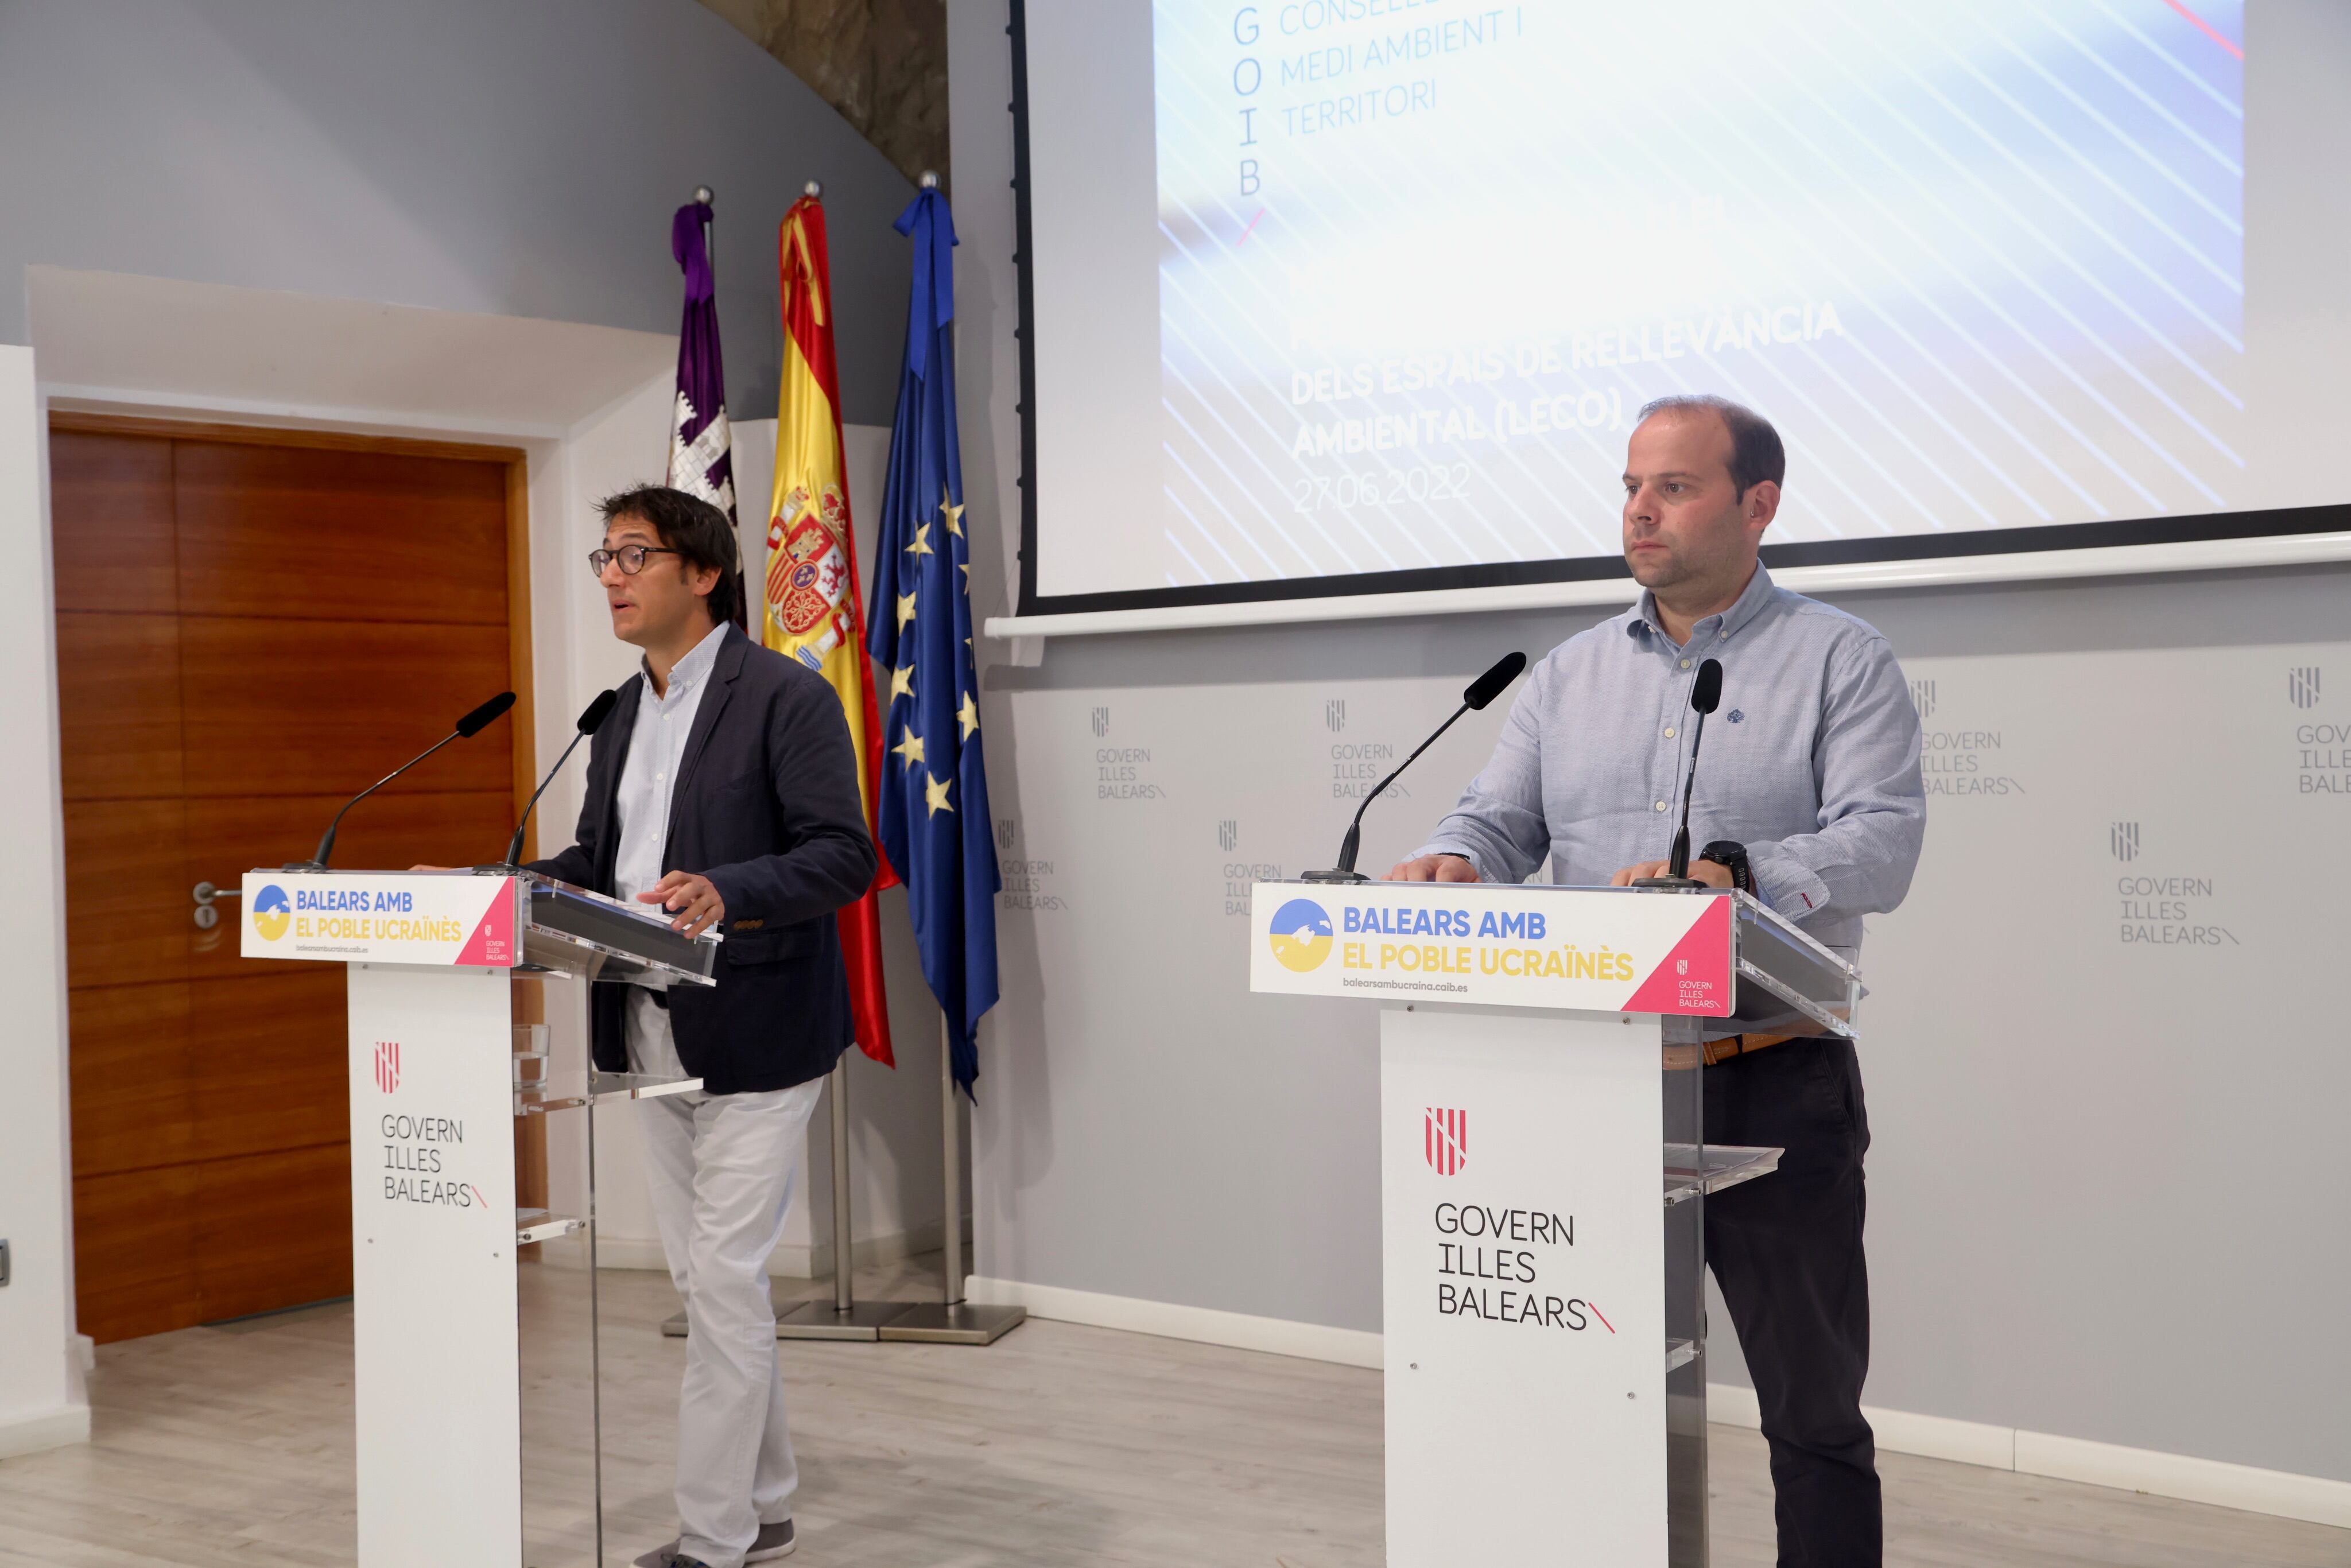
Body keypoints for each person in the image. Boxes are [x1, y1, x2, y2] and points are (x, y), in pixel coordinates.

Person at [1389, 395, 1925, 1566]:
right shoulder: (1568, 671)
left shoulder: (1841, 659)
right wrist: (1458, 855)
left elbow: (1880, 844)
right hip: (1591, 1087)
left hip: (1769, 1083)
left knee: (1811, 1412)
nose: (1639, 507)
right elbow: (1497, 816)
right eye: (1632, 484)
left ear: (1757, 504)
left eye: (1673, 486)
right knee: (1573, 1388)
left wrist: (1737, 875)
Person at [536, 485, 876, 1568]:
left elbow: (844, 854)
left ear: (703, 572)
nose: (613, 578)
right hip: (642, 1026)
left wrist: (728, 887)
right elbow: (597, 871)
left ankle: (713, 1538)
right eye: (604, 559)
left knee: (723, 1283)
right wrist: (486, 886)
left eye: (634, 555)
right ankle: (768, 1503)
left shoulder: (785, 696)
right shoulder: (617, 714)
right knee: (709, 1286)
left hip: (759, 1027)